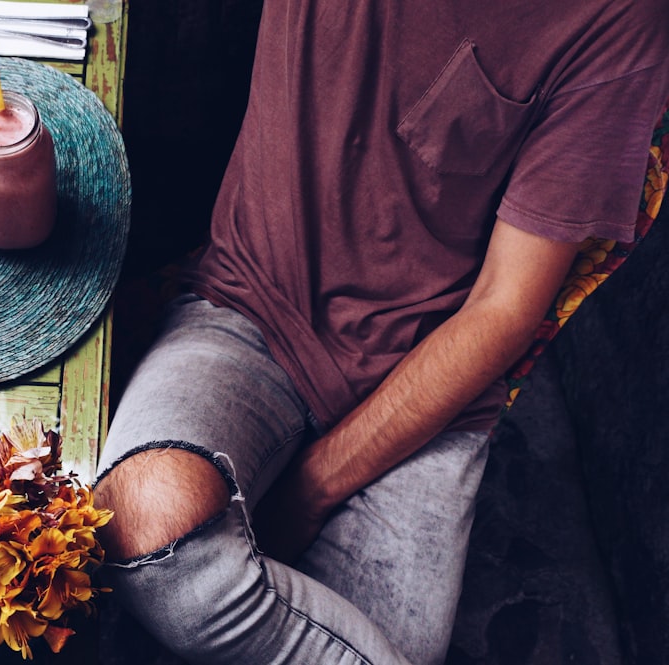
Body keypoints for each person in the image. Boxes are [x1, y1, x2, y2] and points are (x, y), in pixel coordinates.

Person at [94, 1, 669, 663]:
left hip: (429, 389)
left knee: (394, 643)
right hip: (245, 312)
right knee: (147, 523)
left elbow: (503, 307)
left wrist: (308, 489)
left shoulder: (621, 22)